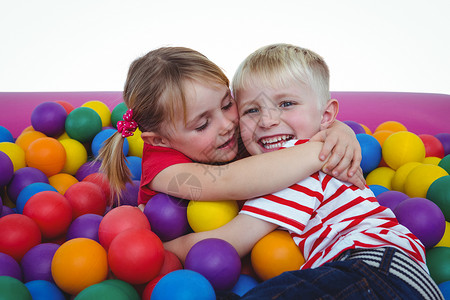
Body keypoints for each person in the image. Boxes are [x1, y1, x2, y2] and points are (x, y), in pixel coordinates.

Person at [164, 44, 443, 299]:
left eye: (286, 104)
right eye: (251, 110)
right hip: (390, 276)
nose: (267, 120)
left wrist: (159, 250)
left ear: (325, 116)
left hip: (377, 270)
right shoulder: (303, 156)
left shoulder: (291, 169)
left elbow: (230, 240)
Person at [98, 46, 364, 209]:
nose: (227, 125)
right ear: (159, 141)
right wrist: (319, 150)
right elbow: (229, 180)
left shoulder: (232, 131)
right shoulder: (165, 172)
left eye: (227, 105)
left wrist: (339, 131)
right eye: (202, 124)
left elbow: (300, 119)